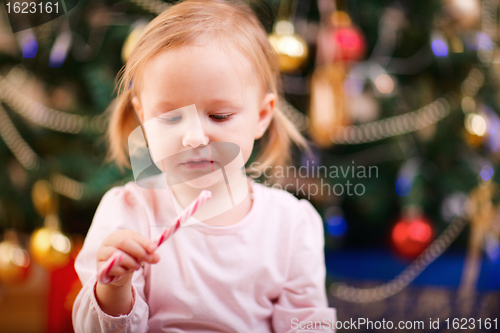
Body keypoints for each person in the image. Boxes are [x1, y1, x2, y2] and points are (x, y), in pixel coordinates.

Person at [72, 0, 337, 332]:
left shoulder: (291, 225)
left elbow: (308, 326)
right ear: (143, 117)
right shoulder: (127, 214)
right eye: (169, 117)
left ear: (262, 116)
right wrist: (113, 288)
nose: (194, 138)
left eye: (219, 116)